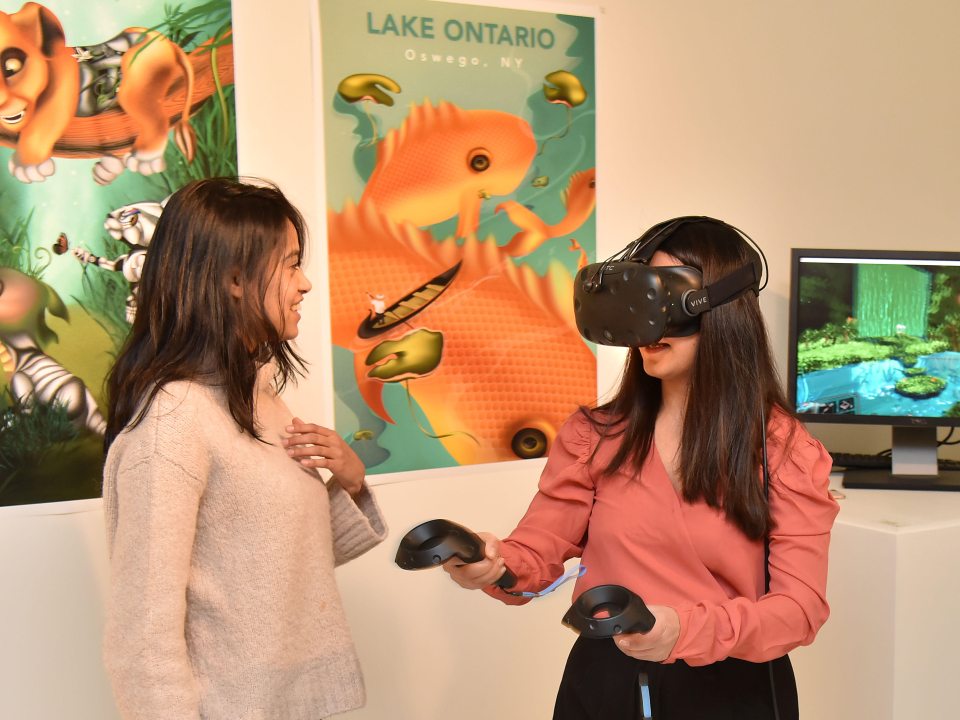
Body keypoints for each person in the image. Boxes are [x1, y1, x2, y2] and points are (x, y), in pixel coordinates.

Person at [443, 217, 839, 720]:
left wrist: (682, 630)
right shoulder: (595, 436)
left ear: (722, 311)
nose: (650, 328)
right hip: (605, 682)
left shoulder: (783, 452)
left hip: (729, 690)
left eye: (668, 302)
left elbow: (799, 612)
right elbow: (538, 550)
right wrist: (496, 565)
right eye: (642, 303)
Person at [101, 177, 387, 719]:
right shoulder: (173, 423)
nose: (305, 284)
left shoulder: (259, 397)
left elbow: (270, 569)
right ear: (234, 278)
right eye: (290, 263)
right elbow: (142, 636)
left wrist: (348, 481)